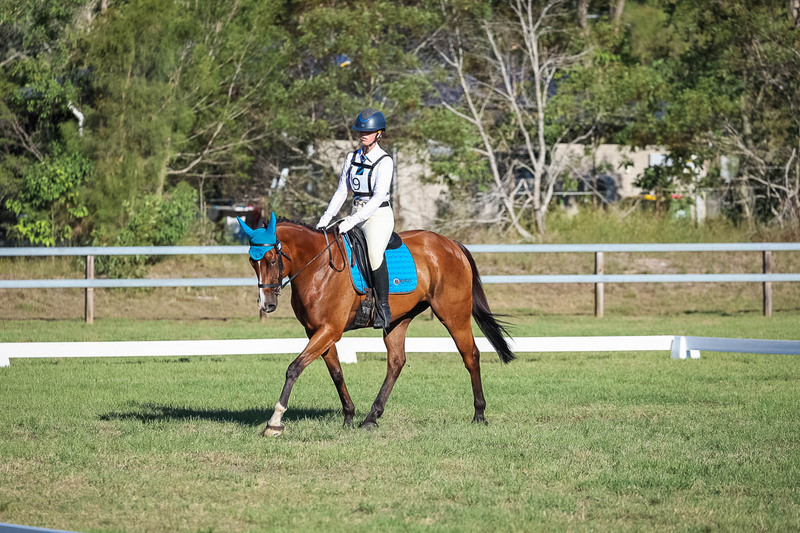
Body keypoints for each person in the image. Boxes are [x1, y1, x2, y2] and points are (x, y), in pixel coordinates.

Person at [316, 108, 394, 329]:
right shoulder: (352, 157)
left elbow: (378, 197)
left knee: (373, 253)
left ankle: (383, 308)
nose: (363, 134)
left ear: (379, 134)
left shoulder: (384, 161)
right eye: (360, 131)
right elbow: (342, 191)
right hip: (355, 212)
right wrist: (327, 217)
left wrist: (351, 220)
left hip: (378, 216)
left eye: (367, 132)